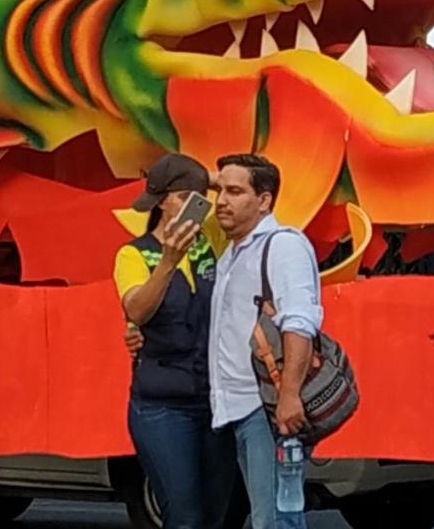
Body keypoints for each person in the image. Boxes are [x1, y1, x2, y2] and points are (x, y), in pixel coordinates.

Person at [113, 153, 234, 529]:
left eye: (201, 198)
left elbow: (265, 192)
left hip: (215, 399)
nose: (196, 206)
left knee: (220, 516)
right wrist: (168, 261)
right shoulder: (135, 254)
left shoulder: (211, 236)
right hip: (162, 404)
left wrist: (208, 180)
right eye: (184, 197)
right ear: (162, 201)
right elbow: (137, 311)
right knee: (184, 517)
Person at [208, 153, 321, 529]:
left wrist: (288, 395)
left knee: (275, 519)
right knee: (268, 518)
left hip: (268, 408)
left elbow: (299, 322)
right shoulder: (235, 250)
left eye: (235, 191)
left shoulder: (282, 246)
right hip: (240, 406)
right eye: (219, 190)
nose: (222, 199)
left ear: (264, 200)